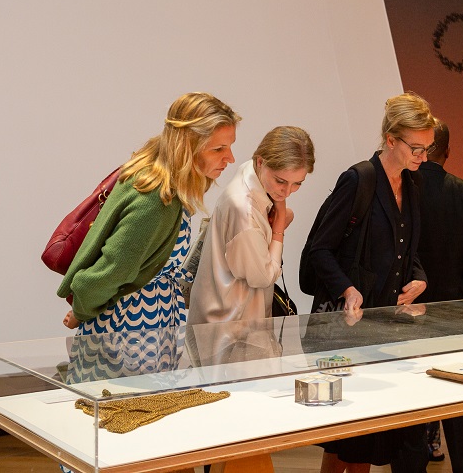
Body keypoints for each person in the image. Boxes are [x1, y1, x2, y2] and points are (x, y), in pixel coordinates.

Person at [308, 92, 436, 472]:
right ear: (391, 140)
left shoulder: (412, 185)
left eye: (427, 149)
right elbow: (319, 250)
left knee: (367, 440)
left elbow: (407, 250)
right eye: (416, 148)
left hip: (387, 331)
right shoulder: (358, 180)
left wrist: (419, 279)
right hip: (348, 331)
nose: (423, 158)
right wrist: (347, 288)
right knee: (346, 440)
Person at [58, 92, 240, 334]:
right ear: (187, 147)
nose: (230, 158)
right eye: (218, 149)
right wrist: (82, 312)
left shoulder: (162, 182)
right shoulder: (157, 200)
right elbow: (108, 273)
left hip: (149, 321)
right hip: (132, 329)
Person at [415, 118, 463, 472]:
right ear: (447, 151)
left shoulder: (399, 191)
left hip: (406, 316)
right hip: (456, 318)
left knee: (411, 404)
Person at [188, 126, 314, 326]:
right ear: (261, 161)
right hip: (230, 328)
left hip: (233, 321)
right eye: (281, 181)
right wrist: (279, 225)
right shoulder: (243, 209)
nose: (288, 192)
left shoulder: (251, 173)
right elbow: (263, 277)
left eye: (298, 183)